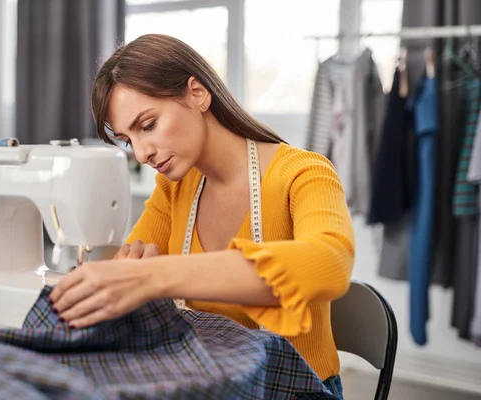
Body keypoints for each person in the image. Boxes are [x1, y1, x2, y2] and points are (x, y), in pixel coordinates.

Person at [49, 33, 354, 397]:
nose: (142, 153)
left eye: (148, 125)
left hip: (296, 388)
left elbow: (329, 263)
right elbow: (127, 274)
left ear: (197, 93)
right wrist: (128, 274)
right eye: (128, 140)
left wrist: (156, 276)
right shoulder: (174, 188)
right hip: (217, 384)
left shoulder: (303, 173)